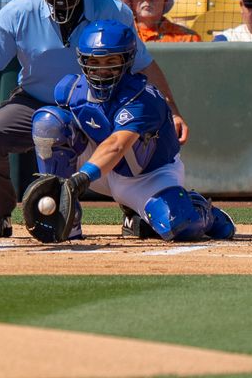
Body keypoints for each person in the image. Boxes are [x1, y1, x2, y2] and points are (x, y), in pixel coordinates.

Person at [0, 0, 187, 239]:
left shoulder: (112, 8)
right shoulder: (17, 11)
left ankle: (134, 212)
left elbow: (143, 64)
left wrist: (174, 110)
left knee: (130, 137)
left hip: (100, 104)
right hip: (36, 101)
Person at [26, 19, 234, 244]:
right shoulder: (70, 89)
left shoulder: (143, 98)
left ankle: (202, 210)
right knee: (48, 121)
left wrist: (79, 180)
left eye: (111, 61)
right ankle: (67, 217)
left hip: (149, 176)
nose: (102, 70)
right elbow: (61, 134)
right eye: (94, 61)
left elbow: (117, 144)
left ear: (127, 61)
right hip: (101, 171)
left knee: (180, 225)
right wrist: (62, 180)